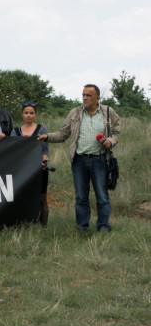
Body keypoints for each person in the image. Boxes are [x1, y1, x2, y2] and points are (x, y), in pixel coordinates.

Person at [39, 84, 121, 232]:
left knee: (102, 197)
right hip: (79, 161)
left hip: (100, 160)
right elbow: (63, 134)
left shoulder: (108, 112)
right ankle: (82, 228)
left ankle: (103, 227)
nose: (84, 98)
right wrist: (46, 137)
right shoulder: (75, 113)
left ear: (97, 98)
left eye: (88, 95)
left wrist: (111, 141)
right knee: (81, 197)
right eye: (83, 94)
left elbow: (116, 133)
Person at [13, 102, 50, 227]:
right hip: (21, 169)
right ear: (22, 114)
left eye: (31, 113)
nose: (28, 115)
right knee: (21, 197)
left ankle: (43, 227)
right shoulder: (15, 131)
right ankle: (22, 224)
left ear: (35, 115)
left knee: (42, 199)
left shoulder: (42, 129)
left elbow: (45, 150)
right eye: (26, 113)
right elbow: (12, 150)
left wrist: (44, 162)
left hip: (39, 168)